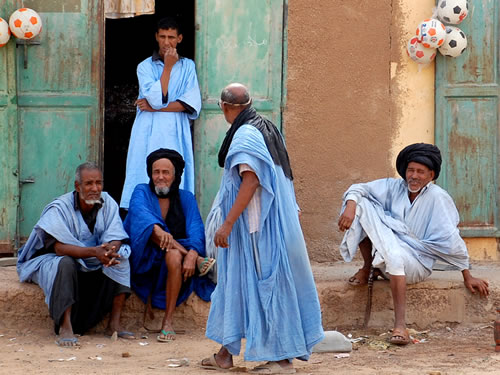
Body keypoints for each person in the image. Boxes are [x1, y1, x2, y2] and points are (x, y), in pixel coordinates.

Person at [202, 83, 324, 373]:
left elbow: (252, 179)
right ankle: (224, 354)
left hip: (258, 230)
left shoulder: (246, 134)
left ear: (225, 107)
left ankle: (282, 359)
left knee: (269, 288)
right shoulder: (266, 127)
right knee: (238, 286)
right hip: (262, 228)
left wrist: (227, 224)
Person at [337, 143, 490, 345]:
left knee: (394, 253)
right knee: (361, 204)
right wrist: (350, 206)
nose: (414, 176)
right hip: (388, 256)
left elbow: (450, 239)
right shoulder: (393, 187)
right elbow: (358, 188)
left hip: (416, 264)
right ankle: (368, 268)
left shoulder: (438, 198)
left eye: (420, 172)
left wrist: (467, 275)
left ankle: (400, 326)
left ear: (431, 175)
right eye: (410, 170)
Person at [17, 163, 133, 347]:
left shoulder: (108, 202)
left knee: (121, 258)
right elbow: (59, 248)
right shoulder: (60, 208)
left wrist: (110, 249)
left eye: (98, 183)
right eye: (88, 184)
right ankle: (65, 326)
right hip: (53, 259)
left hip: (94, 257)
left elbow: (116, 234)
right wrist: (94, 252)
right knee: (65, 263)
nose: (95, 189)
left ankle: (114, 324)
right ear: (78, 186)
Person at [124, 148, 215, 342]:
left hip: (174, 262)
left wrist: (192, 253)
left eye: (166, 172)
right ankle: (197, 260)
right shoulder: (141, 191)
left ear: (175, 175)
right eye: (156, 172)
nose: (160, 177)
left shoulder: (186, 198)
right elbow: (140, 218)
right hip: (145, 256)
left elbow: (196, 229)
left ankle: (168, 323)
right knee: (153, 229)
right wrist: (193, 256)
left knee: (174, 255)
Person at [120, 16, 201, 209]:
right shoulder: (145, 66)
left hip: (175, 131)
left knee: (174, 177)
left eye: (171, 37)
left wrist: (155, 106)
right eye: (162, 36)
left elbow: (188, 104)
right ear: (156, 37)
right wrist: (167, 67)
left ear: (179, 39)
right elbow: (156, 99)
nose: (167, 42)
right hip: (148, 131)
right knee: (144, 173)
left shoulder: (188, 66)